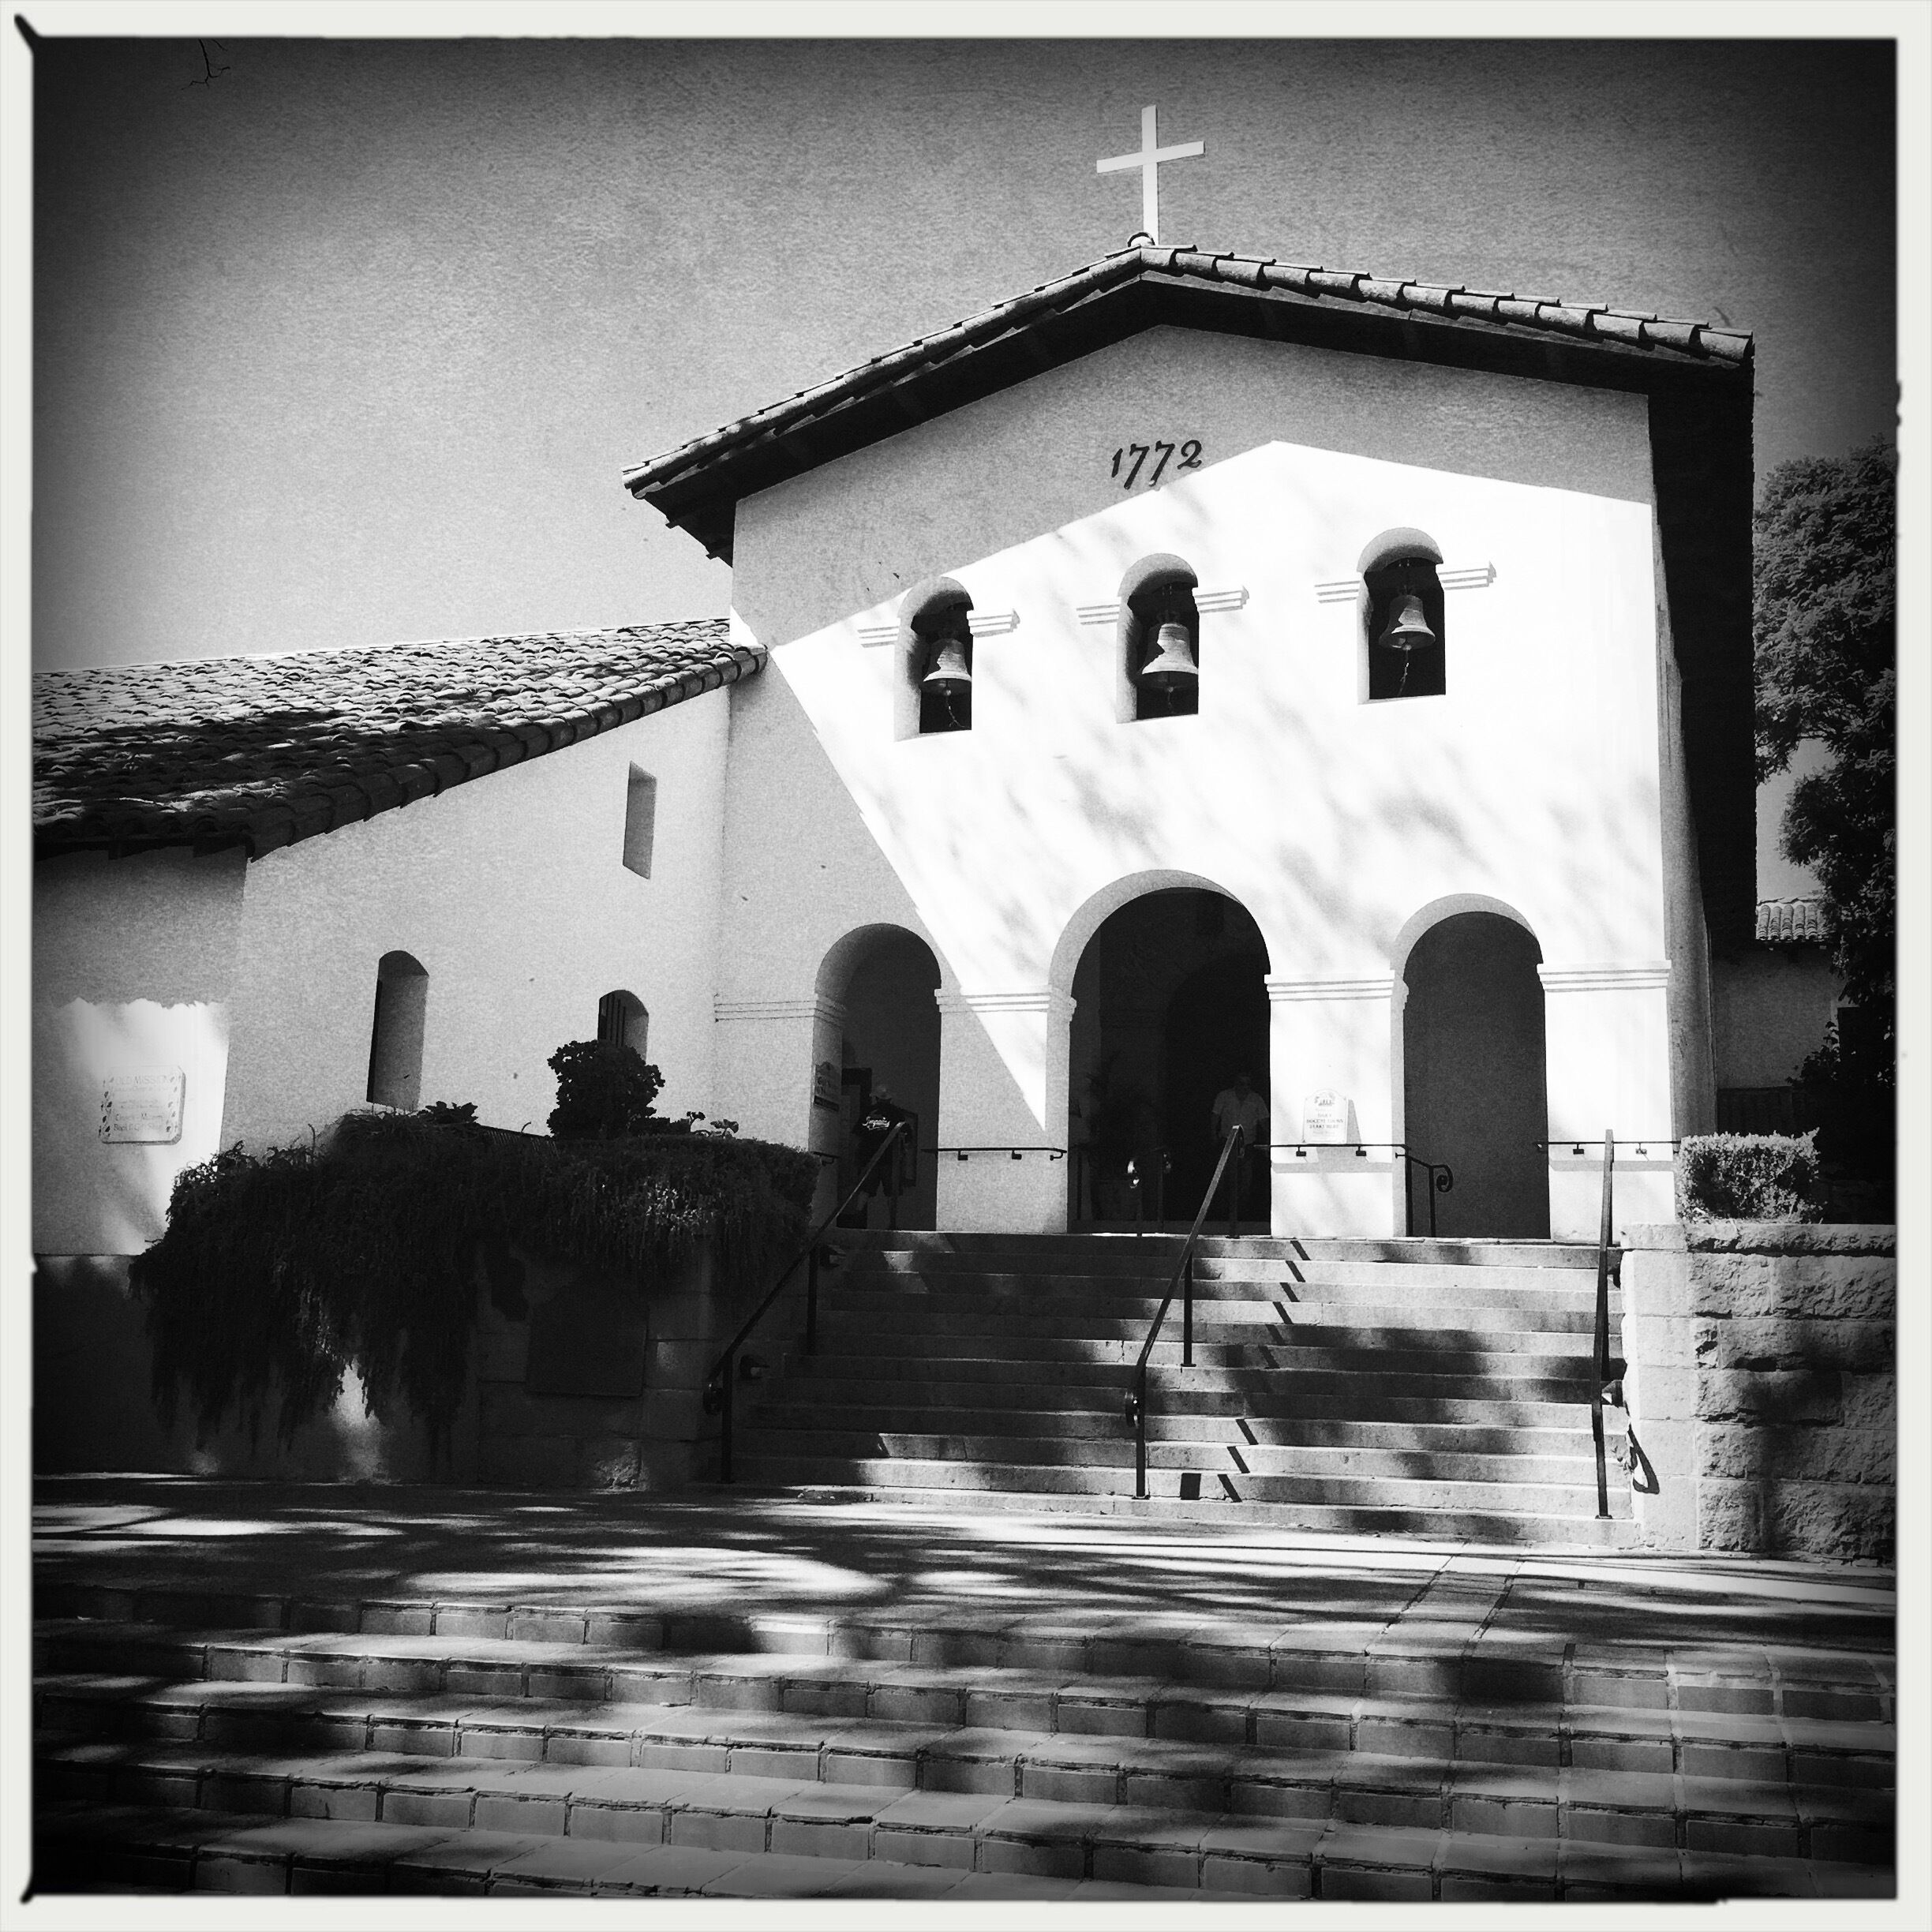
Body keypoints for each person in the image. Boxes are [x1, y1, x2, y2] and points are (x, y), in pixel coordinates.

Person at [1210, 1071, 1270, 1217]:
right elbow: (1215, 1116)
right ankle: (1221, 1207)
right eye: (1241, 1083)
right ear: (1235, 1083)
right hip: (1226, 1140)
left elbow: (1264, 1121)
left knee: (1246, 1175)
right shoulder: (1224, 1096)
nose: (1244, 1087)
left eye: (1247, 1084)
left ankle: (1244, 1208)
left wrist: (1269, 1139)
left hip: (1248, 1142)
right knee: (1223, 1174)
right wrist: (1212, 1134)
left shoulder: (1256, 1099)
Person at [852, 1084, 912, 1226]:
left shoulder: (867, 1112)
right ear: (890, 1099)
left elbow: (857, 1134)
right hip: (890, 1159)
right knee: (891, 1192)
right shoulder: (896, 1113)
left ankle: (856, 1219)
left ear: (876, 1098)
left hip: (868, 1158)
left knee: (865, 1190)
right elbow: (907, 1136)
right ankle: (892, 1223)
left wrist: (856, 1157)